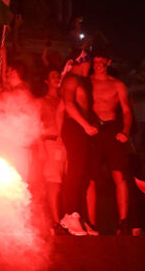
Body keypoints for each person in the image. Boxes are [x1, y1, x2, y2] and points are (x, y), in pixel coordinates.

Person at [88, 49, 133, 235]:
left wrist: (125, 131)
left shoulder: (117, 85)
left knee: (119, 175)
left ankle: (123, 221)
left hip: (112, 129)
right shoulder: (87, 81)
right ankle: (91, 223)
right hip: (93, 130)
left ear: (108, 62)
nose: (98, 65)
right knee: (90, 177)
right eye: (95, 61)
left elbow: (127, 111)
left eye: (101, 62)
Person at [58, 51, 99, 236]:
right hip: (75, 127)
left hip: (82, 128)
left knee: (83, 174)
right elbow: (68, 104)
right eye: (88, 64)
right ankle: (69, 215)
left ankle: (78, 215)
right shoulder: (71, 79)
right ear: (81, 62)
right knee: (75, 171)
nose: (90, 68)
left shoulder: (82, 81)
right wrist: (85, 125)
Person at [31, 69, 66, 233]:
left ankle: (59, 220)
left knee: (61, 184)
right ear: (46, 81)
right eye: (53, 76)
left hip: (63, 145)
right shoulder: (41, 101)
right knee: (52, 184)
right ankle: (54, 221)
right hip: (49, 143)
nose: (57, 78)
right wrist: (40, 147)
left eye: (58, 75)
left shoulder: (64, 100)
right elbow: (35, 125)